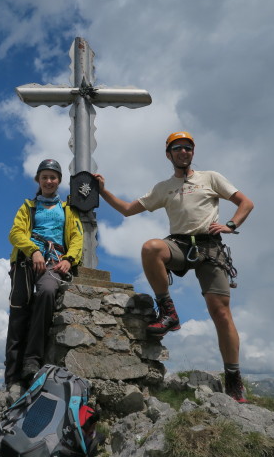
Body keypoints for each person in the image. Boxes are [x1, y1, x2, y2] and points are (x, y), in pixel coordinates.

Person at [94, 131, 254, 403]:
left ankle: (233, 377)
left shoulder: (210, 178)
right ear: (169, 155)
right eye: (177, 148)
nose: (183, 152)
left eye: (188, 148)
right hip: (180, 245)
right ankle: (169, 312)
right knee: (151, 248)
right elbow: (127, 209)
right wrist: (103, 191)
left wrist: (230, 225)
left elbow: (245, 203)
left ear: (192, 152)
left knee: (221, 313)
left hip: (210, 247)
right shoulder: (164, 187)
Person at [5, 159, 83, 394]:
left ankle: (32, 360)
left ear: (59, 181)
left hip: (54, 263)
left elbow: (77, 237)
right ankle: (12, 378)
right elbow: (15, 233)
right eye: (44, 177)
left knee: (48, 292)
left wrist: (69, 259)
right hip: (25, 262)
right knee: (19, 311)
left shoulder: (68, 209)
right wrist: (34, 250)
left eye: (53, 177)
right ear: (38, 180)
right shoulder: (28, 207)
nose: (49, 181)